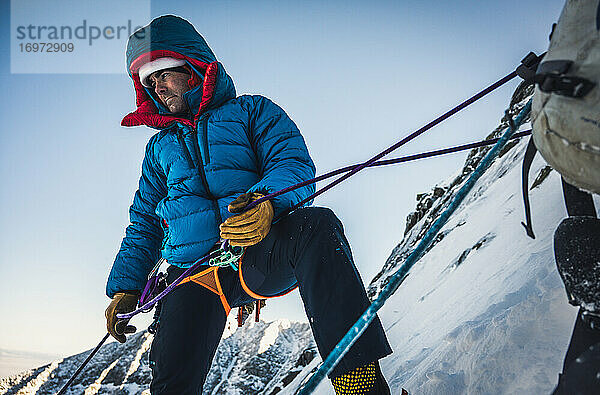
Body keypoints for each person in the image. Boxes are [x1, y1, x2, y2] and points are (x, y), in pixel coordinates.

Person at [104, 15, 392, 394]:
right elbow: (144, 222)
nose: (156, 87)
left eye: (162, 73)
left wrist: (266, 204)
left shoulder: (251, 112)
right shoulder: (159, 149)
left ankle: (359, 385)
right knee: (172, 382)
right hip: (192, 272)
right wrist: (125, 286)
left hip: (259, 251)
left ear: (192, 71)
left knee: (317, 225)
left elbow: (292, 163)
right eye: (149, 82)